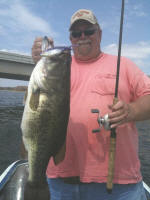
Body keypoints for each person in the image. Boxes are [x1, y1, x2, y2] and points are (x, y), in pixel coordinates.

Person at [31, 9, 150, 200]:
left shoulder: (124, 64)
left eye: (89, 31)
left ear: (100, 34)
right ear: (70, 38)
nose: (82, 37)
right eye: (76, 33)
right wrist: (39, 61)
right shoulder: (58, 67)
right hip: (61, 185)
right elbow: (37, 102)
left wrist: (132, 110)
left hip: (118, 187)